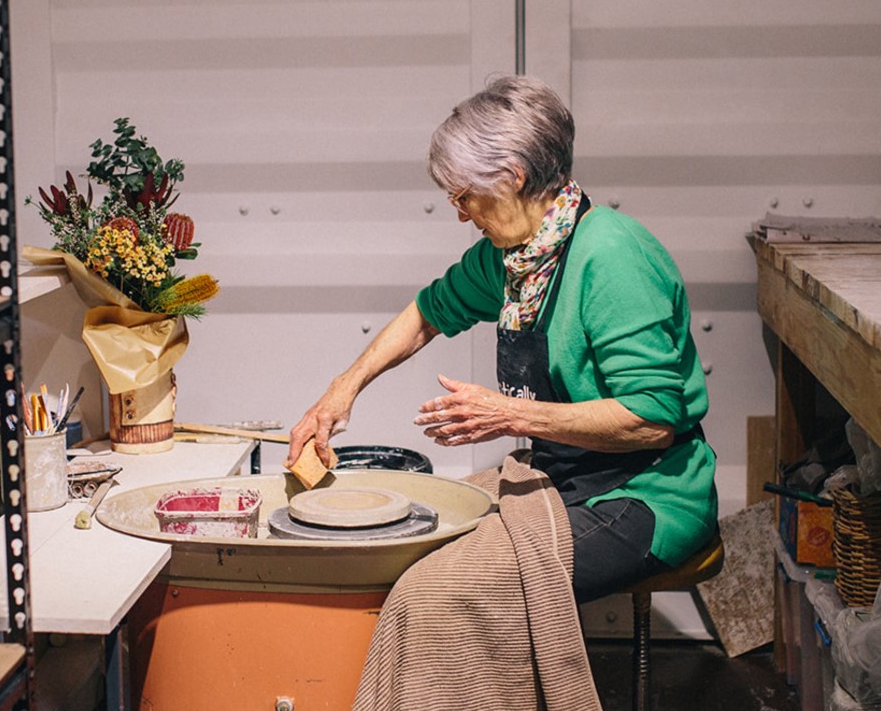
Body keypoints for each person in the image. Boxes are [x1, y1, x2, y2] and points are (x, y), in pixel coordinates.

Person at [285, 74, 717, 606]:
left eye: (465, 196)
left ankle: (513, 694)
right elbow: (428, 312)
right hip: (567, 478)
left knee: (449, 592)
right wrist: (341, 391)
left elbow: (652, 419)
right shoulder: (514, 257)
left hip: (646, 494)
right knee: (407, 552)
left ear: (511, 176)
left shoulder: (609, 256)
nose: (462, 214)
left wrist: (510, 416)